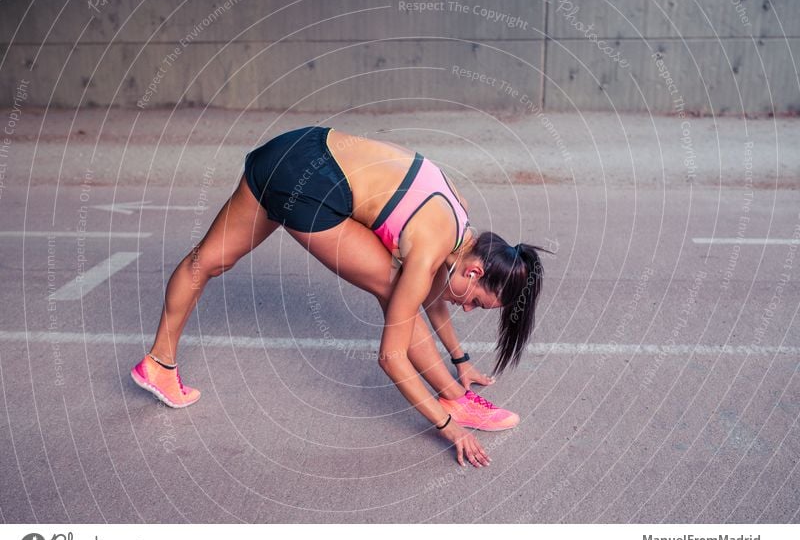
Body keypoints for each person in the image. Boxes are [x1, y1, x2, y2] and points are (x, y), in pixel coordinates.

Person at [131, 126, 549, 468]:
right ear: (475, 270)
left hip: (289, 150)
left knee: (205, 262)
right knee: (393, 284)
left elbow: (432, 294)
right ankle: (456, 404)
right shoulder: (430, 249)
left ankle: (158, 364)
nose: (467, 308)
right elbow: (391, 356)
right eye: (476, 301)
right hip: (314, 187)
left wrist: (461, 360)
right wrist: (446, 427)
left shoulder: (459, 221)